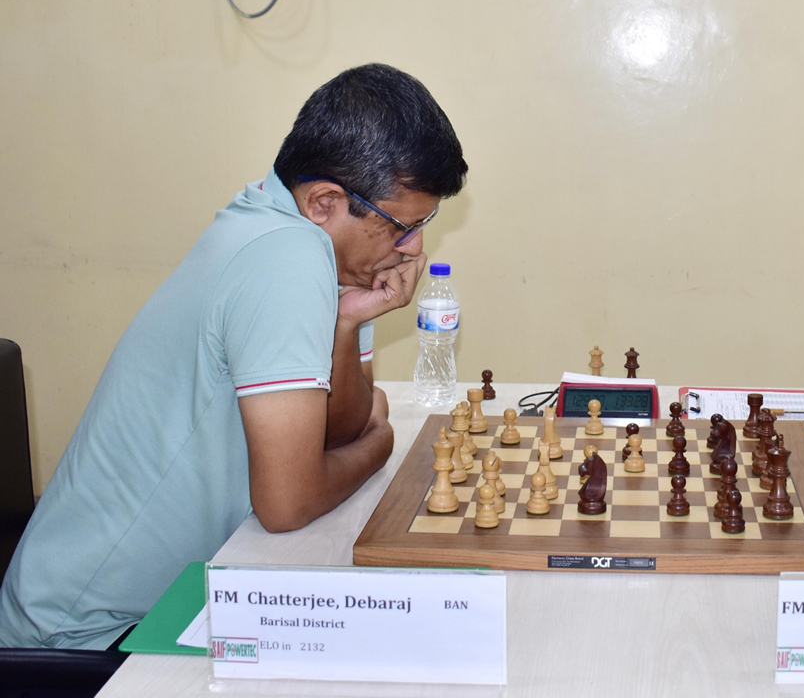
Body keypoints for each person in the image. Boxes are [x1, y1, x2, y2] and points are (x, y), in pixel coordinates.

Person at [0, 63, 468, 649]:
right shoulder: (285, 257)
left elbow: (336, 433)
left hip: (173, 595)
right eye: (402, 225)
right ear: (325, 201)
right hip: (84, 639)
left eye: (425, 223)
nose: (414, 247)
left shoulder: (292, 228)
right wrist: (382, 443)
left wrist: (345, 324)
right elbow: (289, 503)